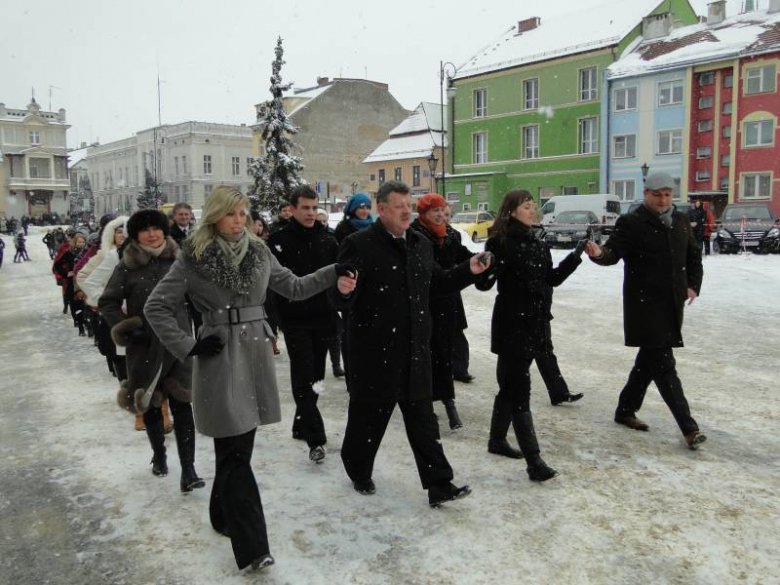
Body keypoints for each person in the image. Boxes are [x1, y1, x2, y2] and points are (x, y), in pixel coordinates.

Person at [144, 186, 356, 572]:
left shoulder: (258, 249)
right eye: (231, 214)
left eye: (243, 213)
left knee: (237, 449)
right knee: (235, 451)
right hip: (219, 355)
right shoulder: (192, 256)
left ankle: (221, 516)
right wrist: (188, 345)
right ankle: (253, 546)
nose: (239, 221)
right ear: (214, 216)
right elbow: (156, 306)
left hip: (256, 353)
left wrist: (331, 272)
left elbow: (292, 286)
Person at [332, 180, 491, 507]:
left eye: (409, 204)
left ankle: (439, 484)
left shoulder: (420, 244)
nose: (407, 210)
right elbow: (340, 295)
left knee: (423, 421)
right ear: (382, 210)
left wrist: (468, 270)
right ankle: (358, 468)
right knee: (368, 421)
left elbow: (440, 282)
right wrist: (342, 291)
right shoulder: (358, 244)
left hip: (416, 351)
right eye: (399, 205)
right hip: (374, 355)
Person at [584, 172, 706, 450]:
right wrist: (599, 254)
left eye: (667, 194)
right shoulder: (632, 222)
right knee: (664, 365)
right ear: (646, 193)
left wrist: (693, 285)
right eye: (656, 194)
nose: (662, 200)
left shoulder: (681, 221)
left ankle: (625, 409)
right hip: (645, 305)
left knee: (648, 362)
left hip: (672, 303)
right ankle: (689, 428)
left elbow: (693, 255)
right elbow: (613, 253)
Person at [477, 189, 582, 480]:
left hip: (534, 324)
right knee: (519, 391)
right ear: (511, 210)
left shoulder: (537, 244)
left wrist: (575, 256)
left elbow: (552, 279)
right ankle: (534, 463)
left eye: (533, 205)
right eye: (526, 206)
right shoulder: (499, 242)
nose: (532, 209)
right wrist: (483, 270)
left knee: (510, 388)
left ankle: (497, 440)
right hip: (511, 324)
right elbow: (484, 284)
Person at [98, 209, 205, 490]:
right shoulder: (127, 266)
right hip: (144, 345)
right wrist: (126, 327)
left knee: (183, 404)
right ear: (136, 234)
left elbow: (198, 296)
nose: (152, 233)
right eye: (145, 230)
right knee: (151, 403)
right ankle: (159, 454)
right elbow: (107, 302)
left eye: (156, 228)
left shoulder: (180, 261)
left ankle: (189, 470)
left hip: (179, 342)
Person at [268, 185, 340, 462]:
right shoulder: (277, 241)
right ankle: (315, 438)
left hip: (323, 318)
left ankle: (301, 422)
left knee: (318, 378)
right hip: (295, 320)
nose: (311, 213)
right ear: (293, 209)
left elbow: (338, 278)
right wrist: (275, 320)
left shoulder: (328, 240)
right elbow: (273, 287)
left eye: (314, 207)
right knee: (303, 376)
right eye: (305, 208)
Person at [410, 193, 474, 430]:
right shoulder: (416, 236)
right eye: (434, 211)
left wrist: (481, 259)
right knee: (424, 356)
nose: (439, 215)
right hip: (424, 304)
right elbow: (431, 272)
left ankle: (449, 403)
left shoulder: (450, 236)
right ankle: (425, 403)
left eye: (442, 210)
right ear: (424, 214)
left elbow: (464, 256)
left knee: (444, 355)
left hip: (447, 302)